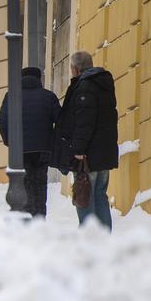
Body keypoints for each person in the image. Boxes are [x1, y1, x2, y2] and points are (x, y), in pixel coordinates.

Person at [51, 50, 119, 230]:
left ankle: (89, 239)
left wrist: (78, 149)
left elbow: (84, 122)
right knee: (100, 194)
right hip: (104, 152)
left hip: (88, 155)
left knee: (84, 196)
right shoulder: (103, 84)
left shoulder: (85, 87)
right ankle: (104, 238)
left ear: (75, 68)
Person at [0, 66, 61, 217]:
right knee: (40, 184)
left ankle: (27, 217)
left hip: (20, 150)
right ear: (39, 79)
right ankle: (39, 217)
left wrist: (10, 142)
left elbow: (2, 120)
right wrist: (52, 140)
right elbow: (61, 120)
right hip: (42, 150)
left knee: (24, 184)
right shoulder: (48, 96)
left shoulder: (11, 96)